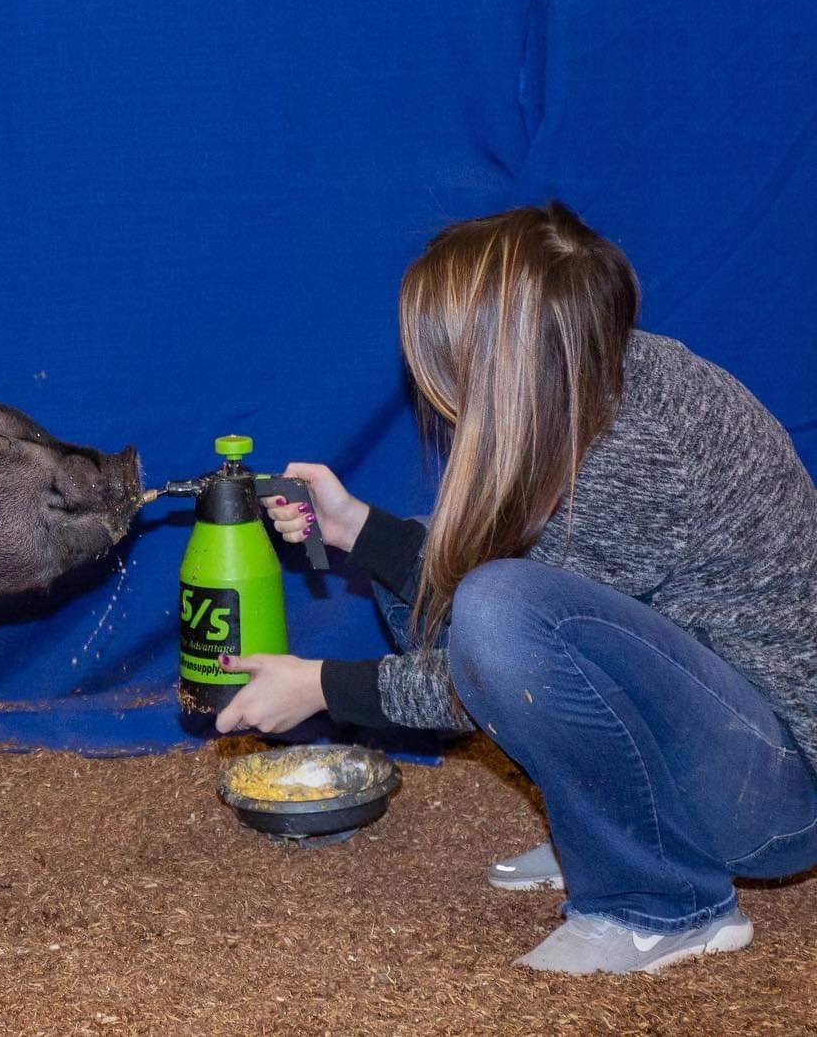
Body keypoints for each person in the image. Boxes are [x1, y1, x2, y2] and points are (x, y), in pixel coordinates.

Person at [216, 202, 817, 974]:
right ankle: (615, 836)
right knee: (465, 575)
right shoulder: (597, 375)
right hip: (721, 728)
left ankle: (659, 902)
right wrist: (353, 528)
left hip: (774, 791)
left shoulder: (637, 452)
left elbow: (494, 658)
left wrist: (321, 686)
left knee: (498, 608)